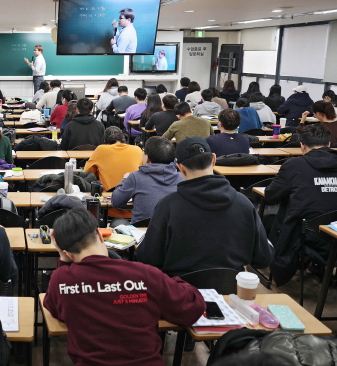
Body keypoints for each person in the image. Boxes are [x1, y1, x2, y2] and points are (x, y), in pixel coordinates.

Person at [43, 208, 206, 366]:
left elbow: (55, 309)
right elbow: (193, 307)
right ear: (100, 235)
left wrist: (63, 261)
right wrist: (171, 281)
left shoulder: (61, 279)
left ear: (69, 253)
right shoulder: (145, 274)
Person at [138, 137, 274, 276]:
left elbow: (148, 257)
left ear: (180, 168)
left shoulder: (167, 206)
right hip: (230, 292)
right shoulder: (244, 204)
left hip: (181, 292)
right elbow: (264, 259)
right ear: (214, 159)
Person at [265, 124, 337, 286]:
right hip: (332, 237)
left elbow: (271, 196)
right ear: (329, 145)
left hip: (303, 237)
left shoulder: (294, 165)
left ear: (302, 146)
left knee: (268, 218)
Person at [112, 136, 183, 225]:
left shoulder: (136, 177)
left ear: (147, 157)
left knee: (117, 222)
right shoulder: (182, 178)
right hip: (172, 234)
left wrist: (124, 180)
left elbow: (116, 202)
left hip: (141, 234)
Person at [84, 127, 142, 191]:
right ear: (122, 137)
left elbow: (87, 172)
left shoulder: (101, 149)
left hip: (109, 196)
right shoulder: (137, 149)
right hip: (134, 194)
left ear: (105, 141)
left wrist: (100, 173)